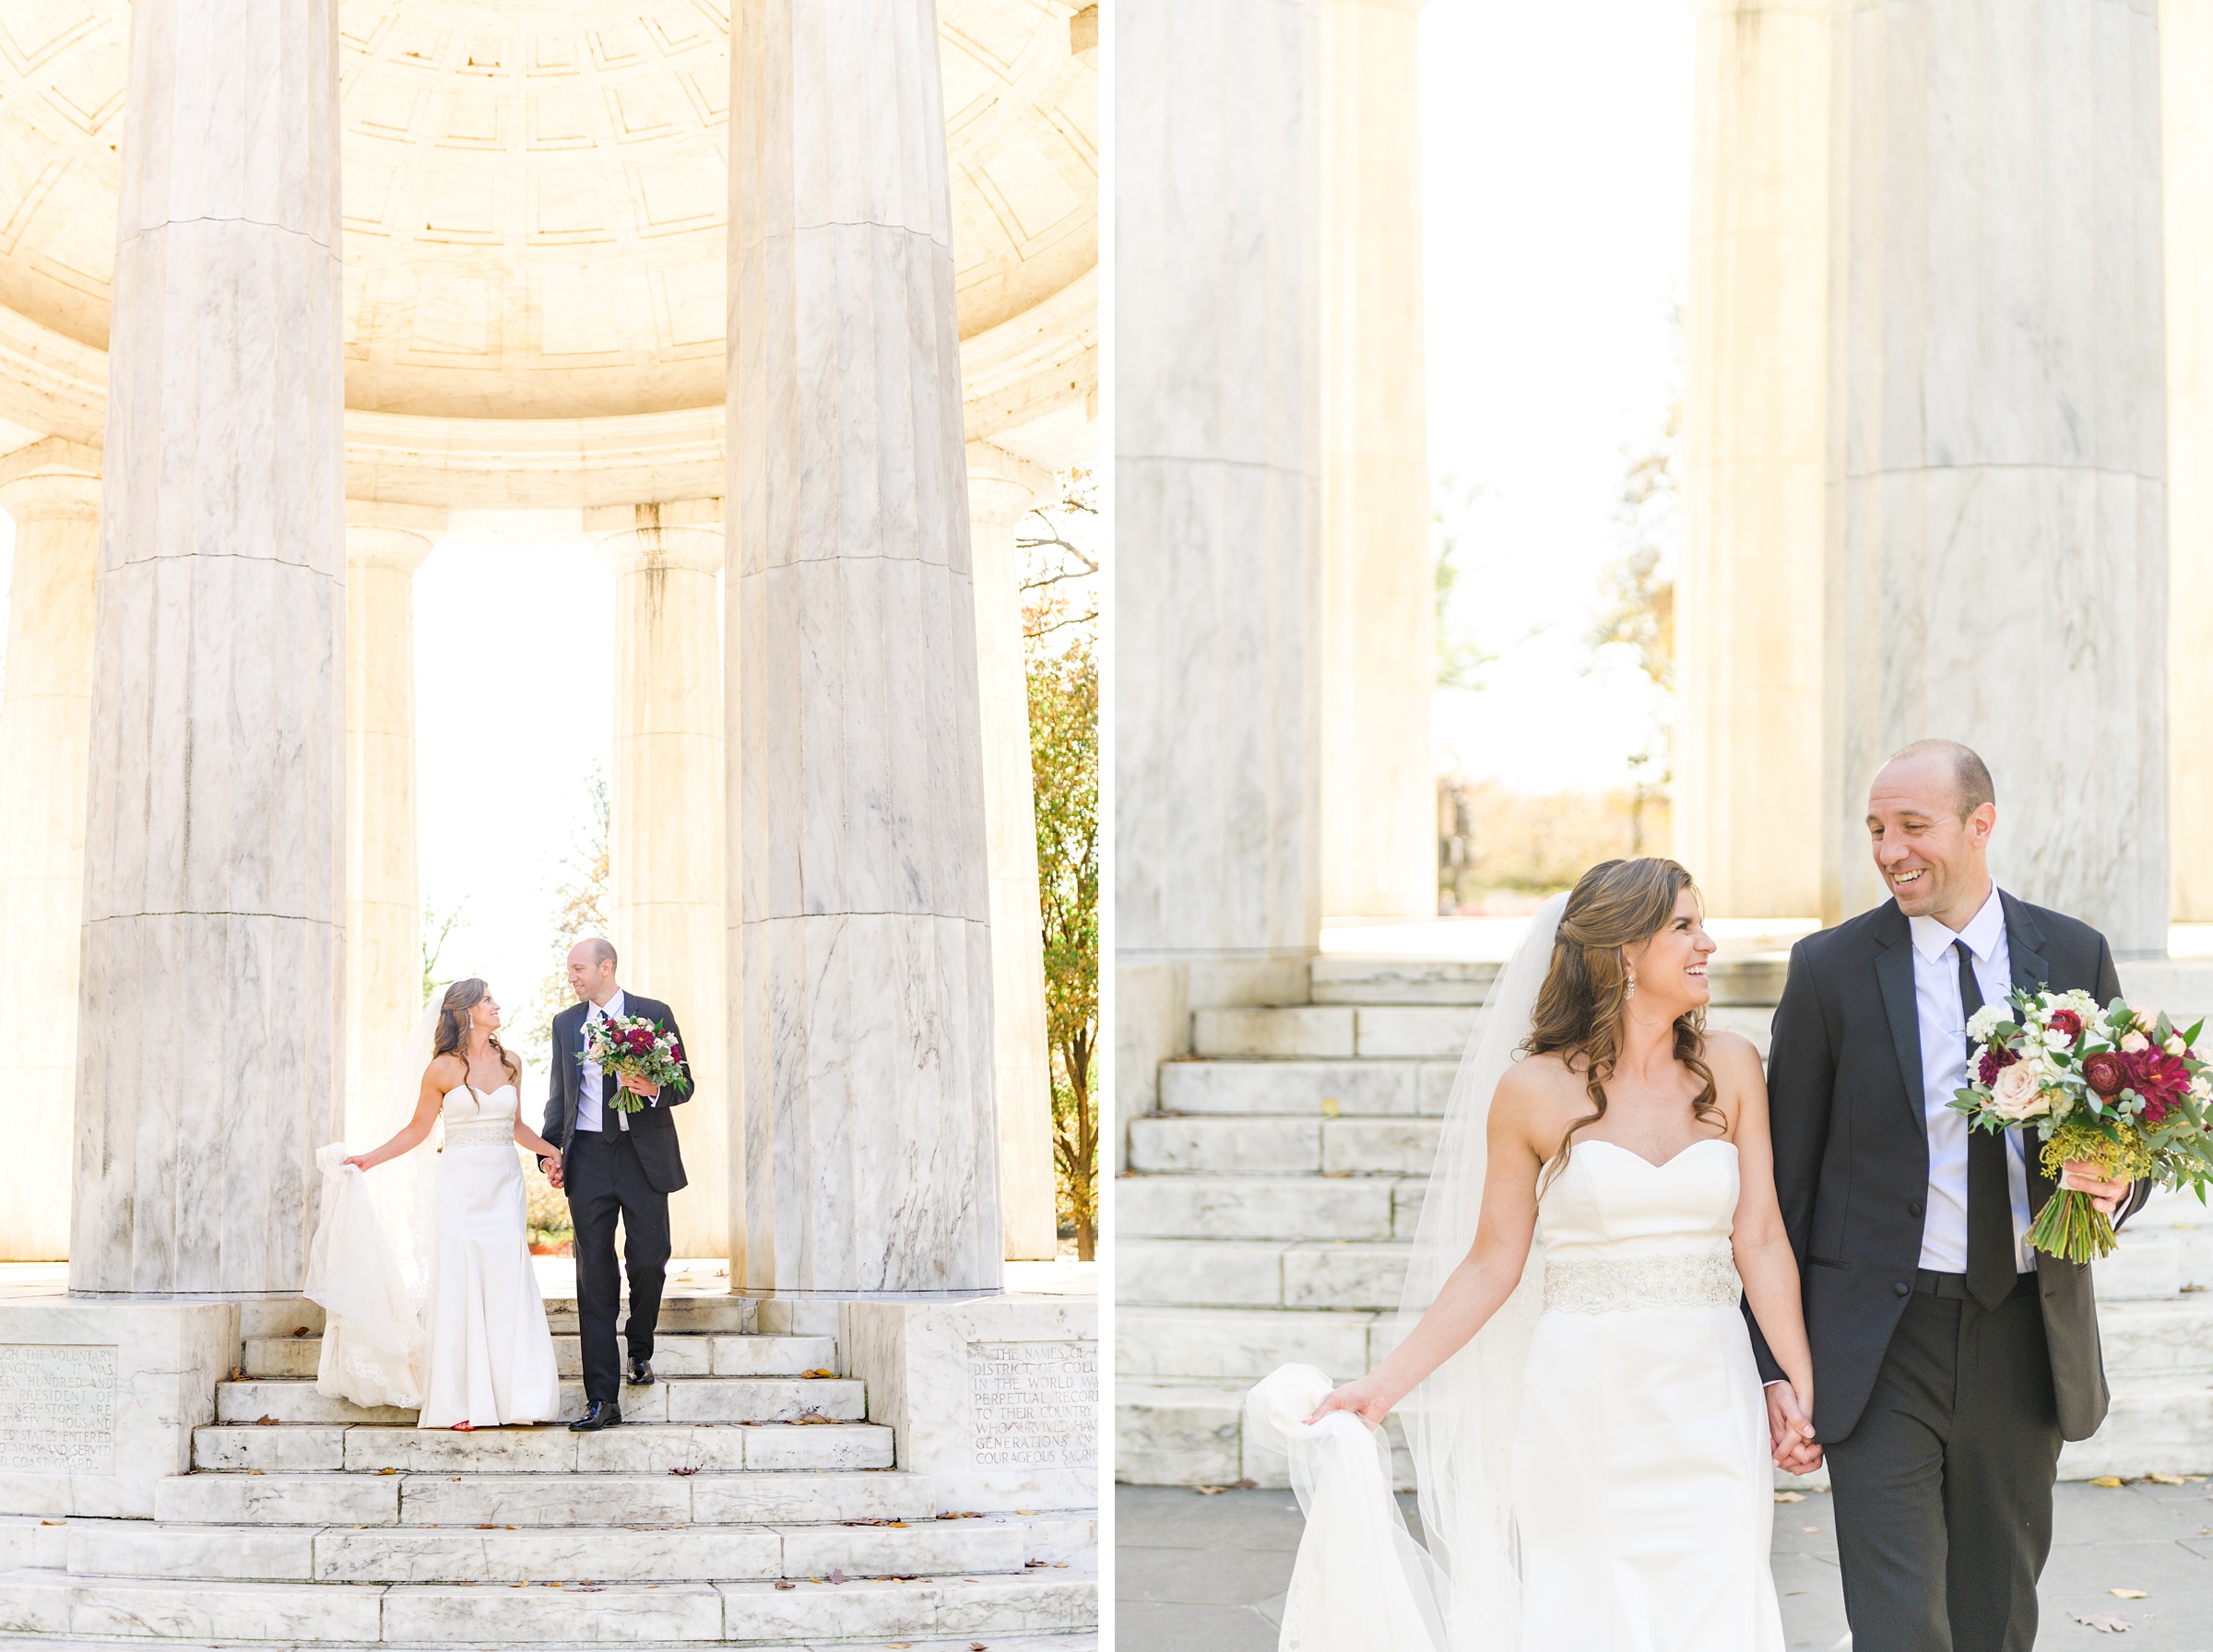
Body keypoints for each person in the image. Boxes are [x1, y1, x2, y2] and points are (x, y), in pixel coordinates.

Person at [1294, 856, 1813, 1650]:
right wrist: (1381, 1386)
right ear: (1625, 952)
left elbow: (1762, 1238)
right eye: (1684, 926)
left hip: (1712, 1394)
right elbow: (1491, 1262)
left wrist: (1802, 1389)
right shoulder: (1532, 1091)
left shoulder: (1733, 1066)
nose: (1707, 942)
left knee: (1719, 1604)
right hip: (1585, 1403)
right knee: (1588, 1610)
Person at [1758, 739, 2147, 1652]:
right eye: (1876, 830)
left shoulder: (2074, 953)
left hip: (2025, 1330)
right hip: (1880, 1341)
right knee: (1900, 1626)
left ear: (1981, 824)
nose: (1890, 849)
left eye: (1912, 827)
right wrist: (1776, 1364)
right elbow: (1785, 1185)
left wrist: (2116, 1182)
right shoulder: (1830, 971)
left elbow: (2121, 1127)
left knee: (1995, 1618)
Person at [329, 978, 562, 1430]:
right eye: (488, 999)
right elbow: (417, 1130)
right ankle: (461, 1403)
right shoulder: (440, 1069)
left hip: (504, 1185)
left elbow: (516, 1126)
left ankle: (518, 1398)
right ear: (467, 1011)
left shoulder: (511, 1062)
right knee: (462, 1282)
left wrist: (553, 1152)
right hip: (460, 1186)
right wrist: (369, 1159)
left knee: (505, 1283)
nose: (497, 1005)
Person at [538, 937, 693, 1432]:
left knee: (648, 1262)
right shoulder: (566, 1024)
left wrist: (653, 1090)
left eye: (579, 968)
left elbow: (684, 1083)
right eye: (570, 970)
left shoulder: (654, 1013)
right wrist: (549, 1152)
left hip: (642, 1157)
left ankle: (640, 1346)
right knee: (594, 1278)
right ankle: (602, 1398)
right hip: (587, 1159)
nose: (572, 977)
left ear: (606, 968)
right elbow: (559, 1096)